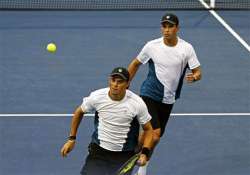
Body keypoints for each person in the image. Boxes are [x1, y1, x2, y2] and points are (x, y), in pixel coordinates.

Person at [128, 13, 202, 175]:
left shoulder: (186, 48)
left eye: (170, 26)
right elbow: (135, 64)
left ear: (177, 28)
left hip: (168, 99)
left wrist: (195, 77)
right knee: (154, 134)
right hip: (149, 93)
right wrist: (126, 85)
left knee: (154, 137)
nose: (166, 30)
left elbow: (197, 71)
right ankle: (141, 165)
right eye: (164, 26)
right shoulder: (151, 46)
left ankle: (134, 154)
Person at [60, 67, 153, 175]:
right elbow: (79, 112)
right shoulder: (97, 97)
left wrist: (144, 153)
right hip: (99, 152)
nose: (115, 84)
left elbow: (149, 129)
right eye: (113, 80)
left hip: (124, 156)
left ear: (127, 84)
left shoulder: (137, 103)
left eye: (120, 82)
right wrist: (72, 139)